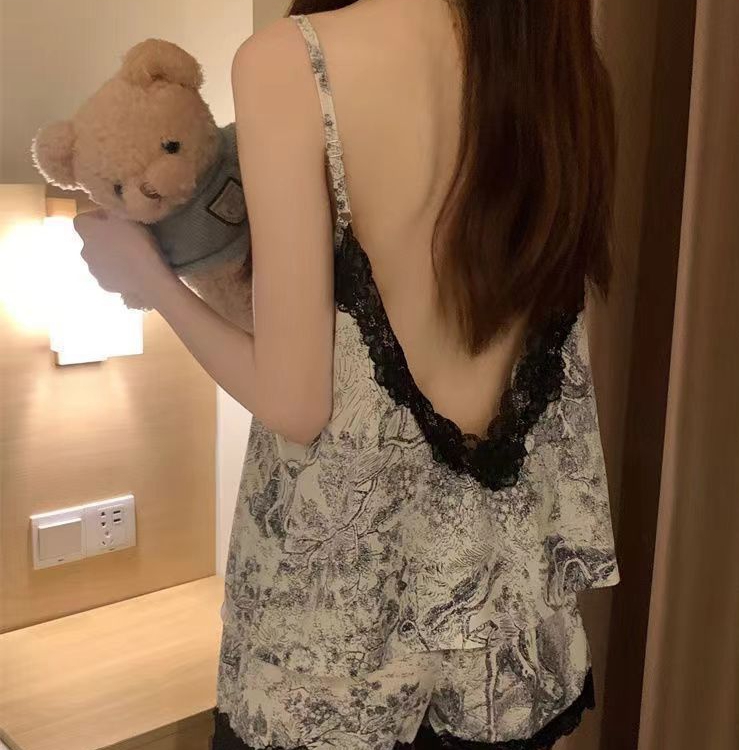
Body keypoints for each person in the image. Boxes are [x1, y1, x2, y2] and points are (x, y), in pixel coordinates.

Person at [74, 0, 621, 747]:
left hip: (337, 654)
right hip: (502, 642)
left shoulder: (293, 61)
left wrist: (149, 279)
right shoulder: (550, 59)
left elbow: (296, 404)